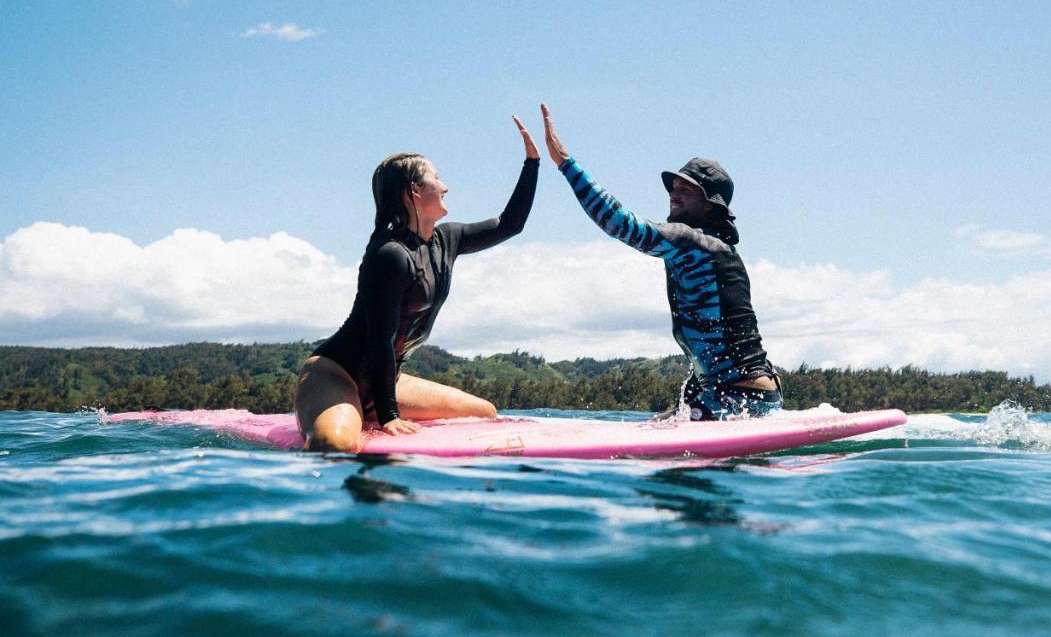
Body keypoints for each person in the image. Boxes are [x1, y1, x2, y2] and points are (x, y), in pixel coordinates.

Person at [294, 116, 539, 451]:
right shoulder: (389, 255)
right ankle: (337, 414)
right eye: (436, 178)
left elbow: (510, 224)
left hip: (388, 379)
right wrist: (388, 416)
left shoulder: (446, 240)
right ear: (414, 190)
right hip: (338, 374)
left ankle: (367, 409)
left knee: (485, 412)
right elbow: (381, 340)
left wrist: (532, 163)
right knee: (332, 444)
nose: (445, 186)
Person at [540, 104, 781, 420]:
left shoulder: (696, 244)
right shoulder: (704, 249)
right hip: (725, 390)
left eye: (687, 189)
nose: (673, 193)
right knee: (656, 428)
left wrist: (565, 163)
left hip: (742, 395)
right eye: (673, 186)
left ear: (711, 206)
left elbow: (619, 223)